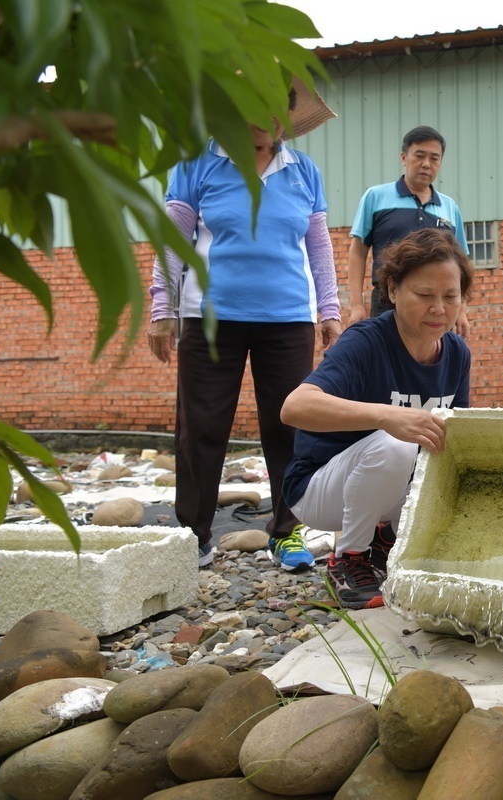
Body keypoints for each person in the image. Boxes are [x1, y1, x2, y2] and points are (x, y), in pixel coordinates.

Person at [148, 80, 340, 570]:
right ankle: (194, 535)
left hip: (287, 320)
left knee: (292, 427)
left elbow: (318, 247)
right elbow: (173, 241)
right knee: (201, 427)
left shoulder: (304, 173)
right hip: (210, 317)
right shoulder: (197, 163)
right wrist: (161, 309)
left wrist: (330, 310)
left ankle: (287, 531)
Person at [282, 229, 473, 609]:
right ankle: (350, 559)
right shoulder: (365, 342)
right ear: (393, 290)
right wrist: (388, 417)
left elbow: (455, 439)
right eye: (424, 295)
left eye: (451, 296)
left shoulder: (456, 353)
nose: (439, 308)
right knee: (399, 443)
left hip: (387, 491)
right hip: (319, 489)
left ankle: (386, 538)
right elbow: (294, 407)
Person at [347, 126, 469, 334]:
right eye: (419, 156)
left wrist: (462, 310)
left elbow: (461, 262)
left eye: (434, 158)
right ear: (404, 157)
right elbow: (358, 252)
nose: (426, 164)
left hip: (436, 305)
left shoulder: (449, 207)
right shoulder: (376, 197)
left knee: (432, 361)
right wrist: (357, 304)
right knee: (386, 361)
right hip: (388, 301)